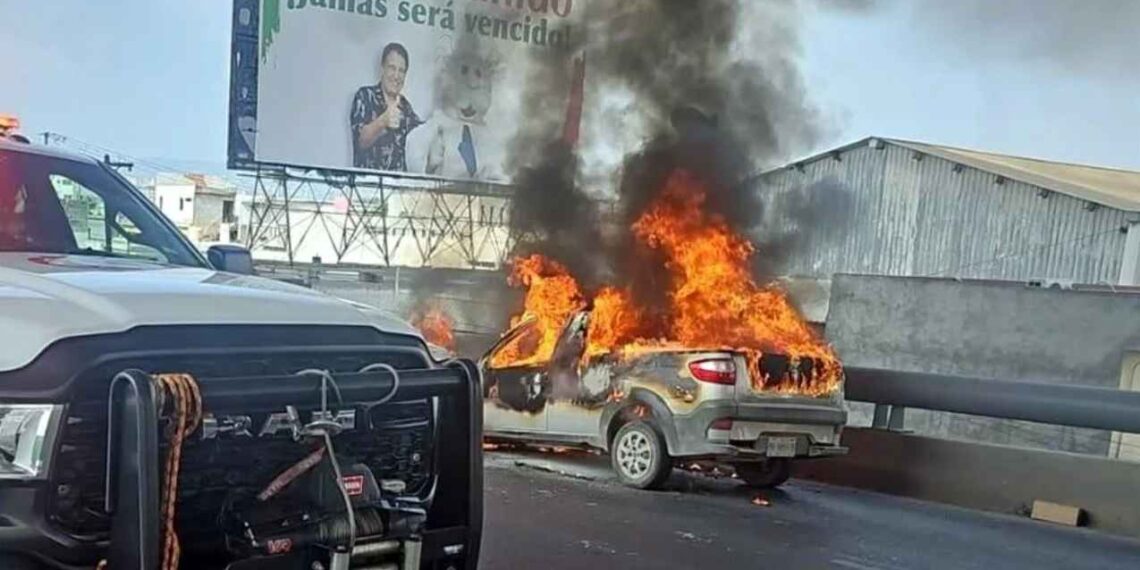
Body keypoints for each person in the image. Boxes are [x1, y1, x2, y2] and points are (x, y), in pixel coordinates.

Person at [350, 42, 422, 171]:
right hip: (368, 188)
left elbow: (422, 137)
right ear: (382, 68)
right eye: (392, 68)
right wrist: (383, 121)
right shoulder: (365, 96)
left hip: (400, 189)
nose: (396, 76)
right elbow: (360, 141)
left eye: (401, 71)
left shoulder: (406, 108)